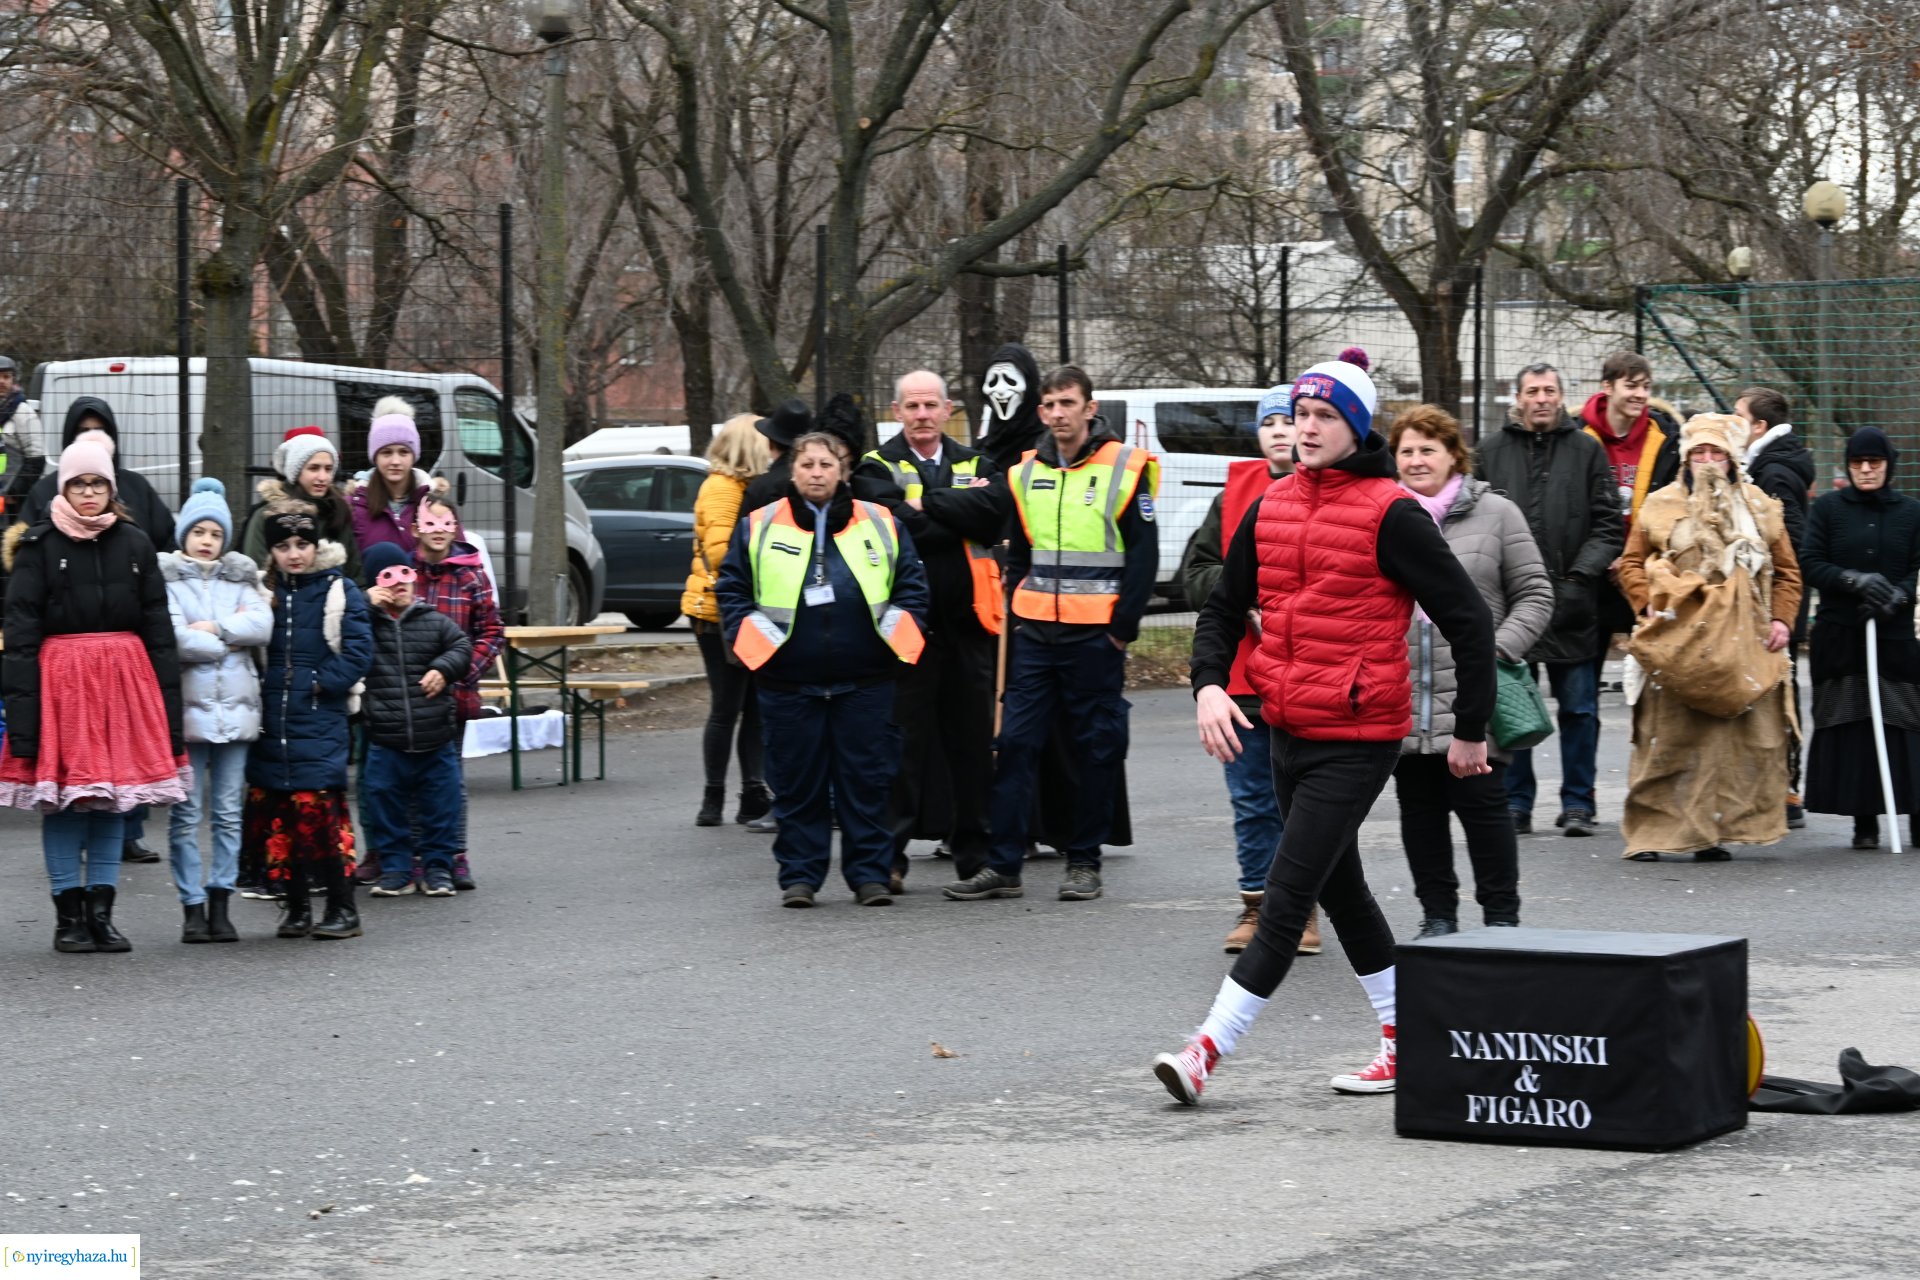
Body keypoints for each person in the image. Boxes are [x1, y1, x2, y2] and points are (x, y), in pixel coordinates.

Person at [1151, 356, 1496, 1105]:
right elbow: (1218, 608)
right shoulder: (1271, 505)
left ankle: (1206, 1049)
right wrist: (1208, 686)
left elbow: (1469, 620)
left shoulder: (1393, 513)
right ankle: (1407, 1039)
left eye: (1325, 416)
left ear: (1357, 428)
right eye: (1299, 414)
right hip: (1286, 724)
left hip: (1360, 732)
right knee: (1340, 889)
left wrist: (1470, 728)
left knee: (1286, 895)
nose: (1306, 429)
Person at [943, 366, 1158, 904]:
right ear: (1040, 412)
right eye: (1050, 405)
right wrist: (1017, 614)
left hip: (1096, 637)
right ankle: (1004, 865)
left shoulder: (1126, 467)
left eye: (1068, 403)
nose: (1059, 413)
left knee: (1093, 749)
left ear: (1089, 408)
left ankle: (1084, 862)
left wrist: (1121, 632)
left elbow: (1143, 557)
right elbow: (1018, 553)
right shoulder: (1023, 472)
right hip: (1036, 635)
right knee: (1015, 744)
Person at [715, 432, 930, 906]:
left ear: (843, 471)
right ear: (792, 471)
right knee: (796, 787)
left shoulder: (882, 522)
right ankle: (800, 878)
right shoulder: (758, 525)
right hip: (788, 683)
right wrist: (760, 652)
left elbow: (912, 589)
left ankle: (869, 877)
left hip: (866, 681)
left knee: (867, 784)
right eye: (807, 464)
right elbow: (732, 592)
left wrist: (893, 649)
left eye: (826, 464)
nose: (817, 473)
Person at [0, 434, 188, 953]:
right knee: (65, 805)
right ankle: (68, 917)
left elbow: (159, 631)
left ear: (111, 488)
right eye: (79, 483)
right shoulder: (38, 547)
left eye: (98, 483)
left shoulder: (136, 544)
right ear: (63, 488)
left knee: (111, 804)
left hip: (125, 688)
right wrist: (25, 725)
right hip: (61, 690)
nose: (88, 492)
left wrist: (168, 717)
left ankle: (102, 915)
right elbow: (20, 638)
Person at [1391, 405, 1552, 933]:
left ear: (1453, 455)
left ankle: (1502, 922)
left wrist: (1495, 652)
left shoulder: (1497, 514)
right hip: (1402, 695)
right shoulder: (1383, 516)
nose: (1417, 460)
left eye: (1428, 449)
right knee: (1419, 811)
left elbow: (1535, 594)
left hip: (1473, 696)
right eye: (1407, 451)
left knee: (1483, 809)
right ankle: (1437, 919)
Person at [1615, 414, 1801, 861]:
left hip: (1741, 646)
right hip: (1676, 643)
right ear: (1686, 459)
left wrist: (1781, 621)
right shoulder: (1660, 505)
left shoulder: (1760, 508)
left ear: (1732, 460)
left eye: (1716, 452)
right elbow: (1631, 564)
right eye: (1699, 452)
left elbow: (1788, 573)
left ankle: (1708, 835)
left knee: (1725, 745)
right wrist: (1647, 605)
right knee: (1665, 741)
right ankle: (1652, 834)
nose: (1707, 460)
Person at [1179, 381, 1322, 955]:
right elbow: (1196, 577)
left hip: (1312, 677)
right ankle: (1257, 905)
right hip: (1245, 681)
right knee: (1252, 800)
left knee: (1305, 803)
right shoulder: (1231, 496)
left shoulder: (1334, 494)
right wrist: (1247, 590)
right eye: (1269, 423)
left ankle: (1302, 910)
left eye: (1290, 419)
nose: (1281, 431)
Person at [857, 370, 1009, 893]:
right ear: (896, 412)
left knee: (972, 746)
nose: (922, 415)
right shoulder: (875, 466)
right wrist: (957, 512)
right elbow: (889, 522)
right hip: (904, 627)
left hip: (969, 625)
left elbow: (994, 515)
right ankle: (889, 860)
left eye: (930, 405)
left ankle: (975, 857)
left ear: (948, 410)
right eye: (912, 406)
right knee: (900, 747)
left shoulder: (977, 462)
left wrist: (924, 504)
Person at [1474, 362, 1622, 836]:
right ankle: (1516, 803)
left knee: (1579, 710)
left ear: (1561, 396)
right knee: (1510, 706)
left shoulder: (1587, 450)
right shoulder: (1489, 452)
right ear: (1518, 398)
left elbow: (1607, 524)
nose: (1541, 398)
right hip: (1510, 608)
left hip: (1571, 603)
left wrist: (1580, 577)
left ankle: (1578, 803)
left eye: (1549, 390)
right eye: (1533, 391)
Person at [246, 500, 372, 939]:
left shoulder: (339, 589)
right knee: (280, 820)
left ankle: (343, 907)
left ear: (316, 545)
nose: (294, 554)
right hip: (271, 721)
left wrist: (319, 683)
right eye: (283, 546)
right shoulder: (263, 592)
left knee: (320, 818)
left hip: (318, 719)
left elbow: (359, 651)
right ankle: (297, 906)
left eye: (302, 544)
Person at [163, 478, 272, 943]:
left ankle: (221, 899)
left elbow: (262, 625)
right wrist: (229, 639)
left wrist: (213, 628)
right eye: (198, 532)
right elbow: (174, 638)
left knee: (228, 813)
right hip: (189, 717)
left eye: (215, 534)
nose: (206, 541)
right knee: (186, 816)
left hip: (237, 716)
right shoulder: (168, 580)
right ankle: (192, 906)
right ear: (184, 534)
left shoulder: (241, 577)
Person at [1800, 428, 1920, 849]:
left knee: (1906, 720)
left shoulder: (1911, 512)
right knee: (1854, 724)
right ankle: (1863, 820)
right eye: (1857, 462)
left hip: (1896, 635)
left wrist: (1898, 596)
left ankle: (1916, 813)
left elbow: (1916, 567)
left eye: (1875, 462)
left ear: (1889, 464)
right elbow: (1810, 562)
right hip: (1842, 635)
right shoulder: (1828, 509)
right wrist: (1853, 581)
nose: (1866, 469)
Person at [358, 541, 472, 898]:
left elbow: (462, 647)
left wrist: (444, 668)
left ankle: (438, 867)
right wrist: (364, 605)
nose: (398, 584)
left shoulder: (433, 621)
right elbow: (339, 635)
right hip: (386, 737)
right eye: (387, 577)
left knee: (441, 804)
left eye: (404, 574)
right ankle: (396, 869)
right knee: (384, 802)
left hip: (434, 735)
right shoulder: (365, 625)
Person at [408, 494, 503, 890]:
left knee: (449, 780)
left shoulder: (471, 576)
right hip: (411, 699)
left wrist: (462, 673)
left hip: (455, 698)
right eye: (429, 524)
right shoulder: (404, 575)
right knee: (412, 781)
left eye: (445, 523)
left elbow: (492, 632)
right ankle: (418, 856)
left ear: (456, 528)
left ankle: (454, 854)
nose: (438, 531)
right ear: (416, 529)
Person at [683, 413, 773, 827]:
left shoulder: (741, 487)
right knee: (727, 706)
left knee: (753, 706)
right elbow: (721, 553)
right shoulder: (722, 488)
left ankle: (752, 792)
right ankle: (713, 796)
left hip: (736, 609)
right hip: (716, 612)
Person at [1737, 386, 1814, 827]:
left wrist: (1777, 603)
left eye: (1740, 416)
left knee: (1778, 691)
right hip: (1777, 602)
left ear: (1759, 426)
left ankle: (1786, 790)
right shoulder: (1772, 464)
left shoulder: (1774, 473)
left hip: (1776, 605)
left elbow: (1793, 543)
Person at [1580, 351, 1681, 672]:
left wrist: (1634, 558)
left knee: (1657, 675)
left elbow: (1672, 508)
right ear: (1607, 387)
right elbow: (1572, 508)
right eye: (1631, 385)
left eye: (1646, 387)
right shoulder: (1577, 437)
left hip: (1645, 570)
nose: (1640, 394)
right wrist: (1604, 556)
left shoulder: (1666, 439)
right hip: (1594, 572)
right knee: (1584, 678)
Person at [17, 399, 175, 549]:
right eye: (83, 431)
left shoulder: (137, 486)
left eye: (100, 431)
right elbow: (23, 550)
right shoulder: (44, 491)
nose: (92, 438)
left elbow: (168, 541)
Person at [239, 425, 364, 583]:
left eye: (328, 469)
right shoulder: (266, 515)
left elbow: (355, 575)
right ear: (295, 472)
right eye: (314, 468)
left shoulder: (339, 511)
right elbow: (257, 573)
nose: (322, 477)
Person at [350, 397, 451, 557]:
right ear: (375, 457)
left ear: (413, 456)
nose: (395, 461)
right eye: (386, 452)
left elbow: (460, 559)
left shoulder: (435, 505)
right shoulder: (354, 506)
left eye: (403, 452)